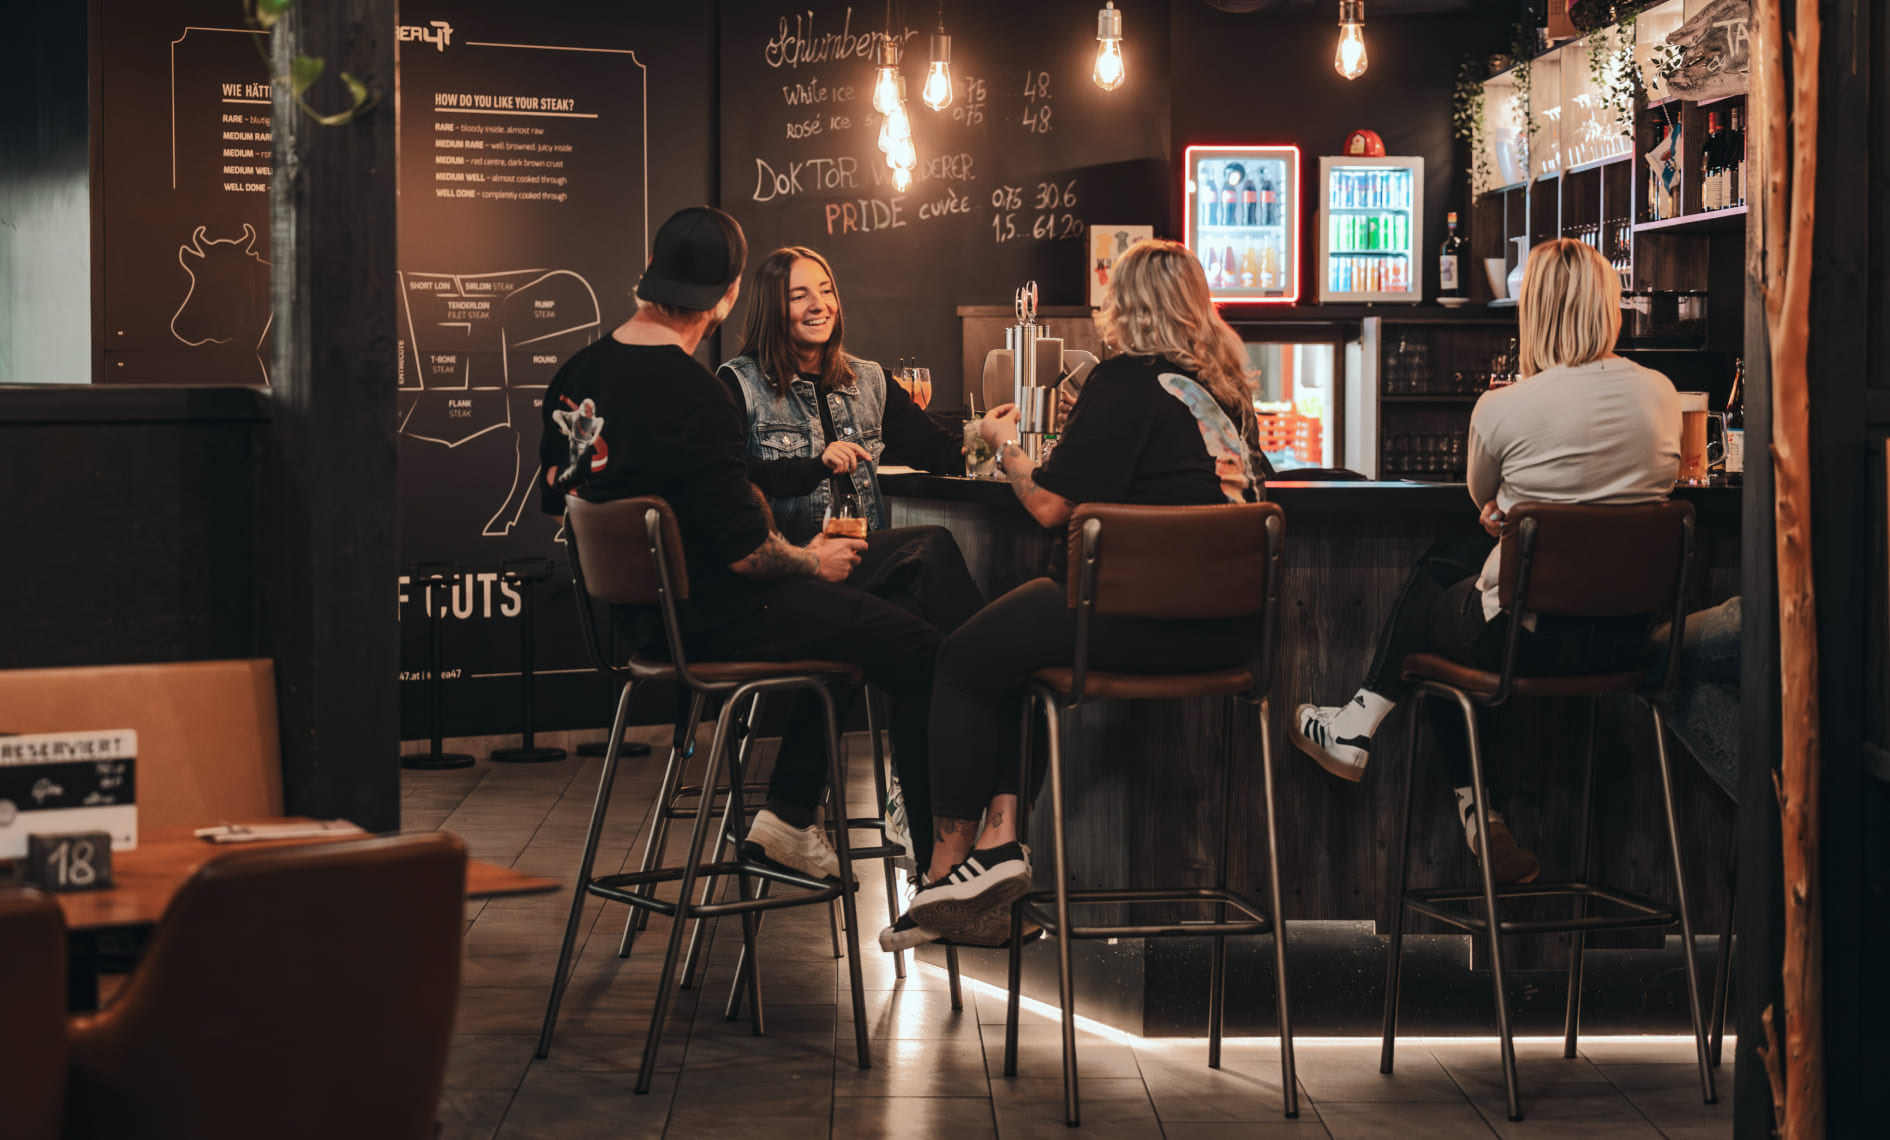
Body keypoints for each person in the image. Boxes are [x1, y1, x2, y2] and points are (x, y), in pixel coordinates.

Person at [883, 239, 1271, 948]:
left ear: (1126, 307)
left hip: (1127, 623)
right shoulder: (1225, 392)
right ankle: (998, 850)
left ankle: (945, 873)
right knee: (1009, 650)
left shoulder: (1122, 381)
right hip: (1229, 636)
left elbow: (1051, 507)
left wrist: (1007, 447)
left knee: (963, 659)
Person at [537, 207, 942, 883]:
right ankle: (941, 862)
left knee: (872, 611)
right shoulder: (699, 395)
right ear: (728, 299)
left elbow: (561, 496)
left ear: (648, 279)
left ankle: (789, 815)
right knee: (923, 647)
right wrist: (815, 559)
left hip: (638, 626)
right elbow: (750, 555)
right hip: (720, 622)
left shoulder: (577, 374)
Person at [1290, 238, 1682, 885]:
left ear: (1533, 312)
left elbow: (1483, 497)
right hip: (1626, 645)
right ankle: (1479, 814)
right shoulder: (1663, 395)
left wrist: (1512, 511)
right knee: (1461, 571)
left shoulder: (1505, 405)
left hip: (1519, 642)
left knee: (1445, 592)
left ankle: (1368, 731)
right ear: (1608, 308)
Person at [719, 247, 987, 870]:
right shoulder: (738, 384)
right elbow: (734, 479)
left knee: (924, 650)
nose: (819, 306)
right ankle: (986, 679)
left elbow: (940, 450)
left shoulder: (866, 379)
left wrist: (989, 440)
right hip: (793, 573)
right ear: (771, 308)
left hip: (857, 569)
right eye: (799, 296)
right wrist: (813, 464)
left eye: (827, 291)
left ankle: (933, 860)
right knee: (929, 553)